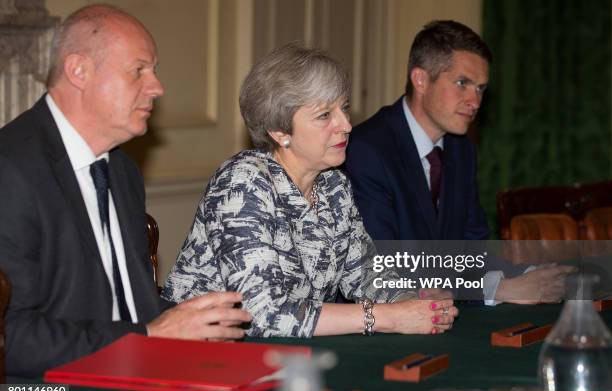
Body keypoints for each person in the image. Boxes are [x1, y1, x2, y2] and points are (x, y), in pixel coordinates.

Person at [0, 5, 251, 378]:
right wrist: (152, 334)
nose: (157, 87)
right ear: (79, 71)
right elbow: (13, 339)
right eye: (139, 70)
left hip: (126, 374)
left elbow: (126, 309)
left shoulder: (120, 169)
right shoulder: (11, 168)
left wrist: (196, 323)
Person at [162, 43, 458, 338]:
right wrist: (387, 317)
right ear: (279, 132)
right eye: (324, 115)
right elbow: (262, 315)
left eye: (343, 108)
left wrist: (413, 302)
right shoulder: (242, 183)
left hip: (289, 354)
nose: (346, 125)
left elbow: (365, 275)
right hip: (201, 355)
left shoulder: (333, 185)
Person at [345, 20, 573, 304]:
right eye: (462, 83)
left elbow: (471, 248)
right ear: (421, 80)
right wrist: (497, 289)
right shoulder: (367, 149)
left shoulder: (461, 149)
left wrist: (529, 274)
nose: (475, 101)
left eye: (480, 88)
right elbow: (385, 266)